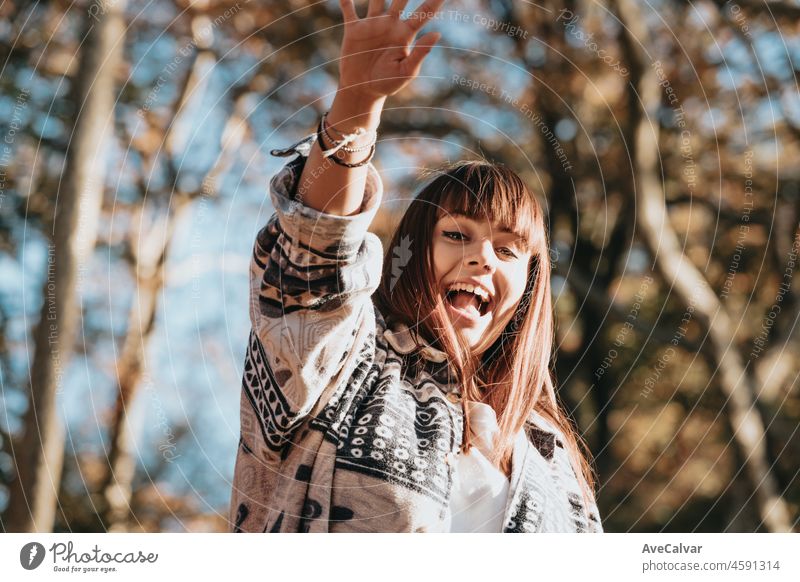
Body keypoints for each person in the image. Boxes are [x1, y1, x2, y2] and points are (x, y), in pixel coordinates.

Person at [228, 0, 602, 533]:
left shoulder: (551, 456)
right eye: (456, 235)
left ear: (529, 283)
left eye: (508, 249)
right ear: (411, 253)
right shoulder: (344, 365)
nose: (481, 258)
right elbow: (313, 263)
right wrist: (356, 105)